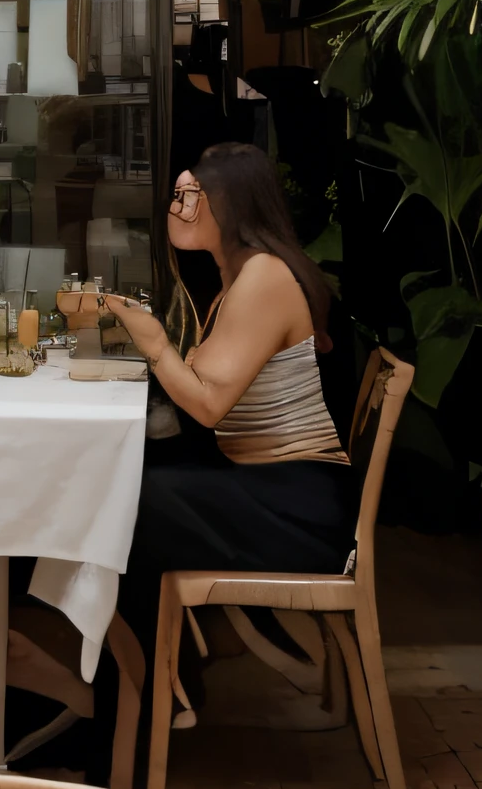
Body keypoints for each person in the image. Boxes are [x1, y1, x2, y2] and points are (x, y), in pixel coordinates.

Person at [102, 141, 354, 711]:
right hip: (276, 487)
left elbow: (209, 405)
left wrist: (153, 343)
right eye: (178, 194)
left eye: (195, 196)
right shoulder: (237, 277)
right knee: (124, 484)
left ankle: (144, 700)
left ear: (236, 205)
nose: (180, 206)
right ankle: (155, 687)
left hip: (298, 506)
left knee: (119, 502)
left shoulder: (264, 277)